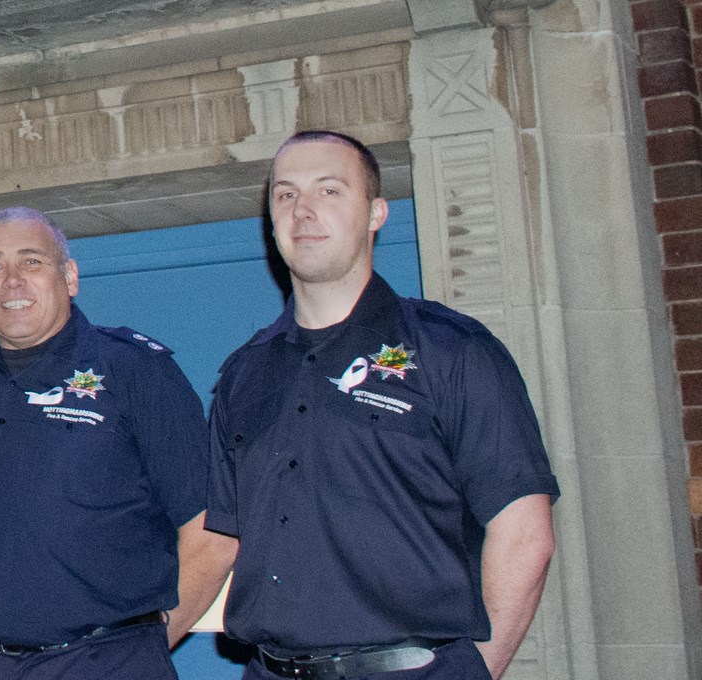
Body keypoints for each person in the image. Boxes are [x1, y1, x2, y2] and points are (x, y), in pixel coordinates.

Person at [207, 130, 557, 680]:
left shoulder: (452, 350)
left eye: (328, 191)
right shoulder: (243, 375)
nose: (303, 211)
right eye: (285, 194)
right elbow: (221, 541)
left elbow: (525, 534)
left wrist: (468, 672)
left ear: (375, 213)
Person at [0, 208, 228, 680]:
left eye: (31, 262)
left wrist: (143, 647)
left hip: (103, 663)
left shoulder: (135, 372)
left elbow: (212, 533)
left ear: (69, 276)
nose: (11, 281)